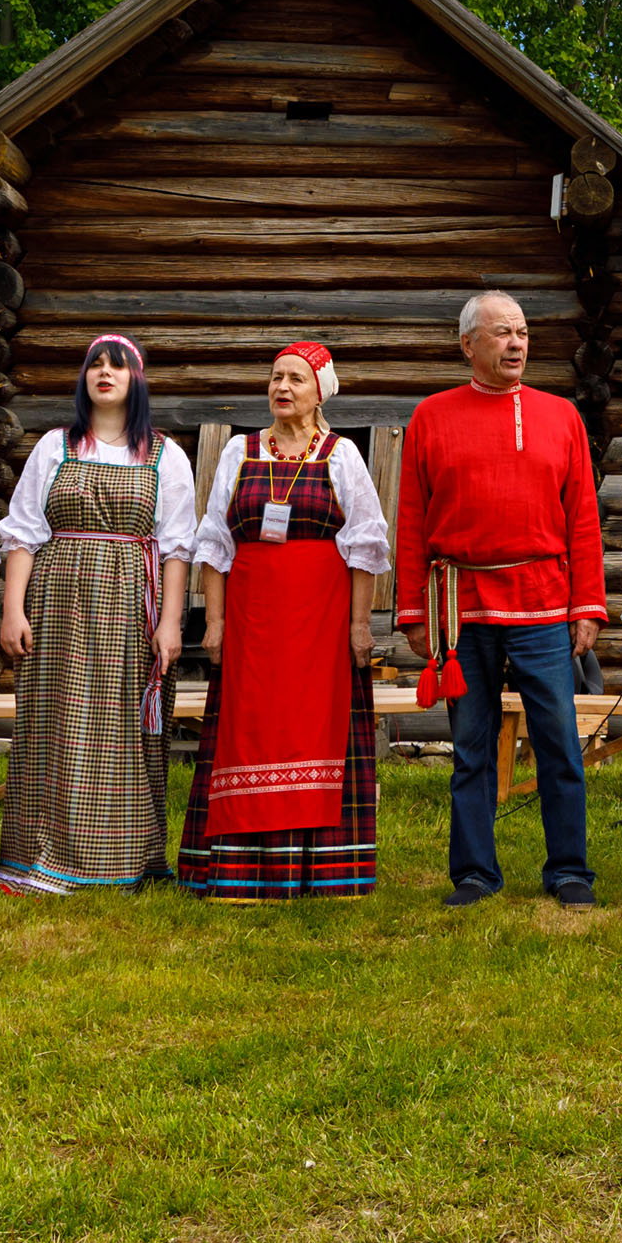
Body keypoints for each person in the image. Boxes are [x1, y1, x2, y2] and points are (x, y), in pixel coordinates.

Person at [396, 291, 609, 909]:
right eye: (501, 334)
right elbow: (412, 517)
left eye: (521, 332)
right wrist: (413, 612)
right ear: (468, 345)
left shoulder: (561, 415)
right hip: (459, 608)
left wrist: (587, 605)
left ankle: (570, 870)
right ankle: (474, 873)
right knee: (470, 746)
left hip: (543, 602)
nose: (516, 344)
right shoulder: (431, 416)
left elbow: (584, 519)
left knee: (559, 744)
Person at [175, 342, 393, 903]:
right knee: (250, 731)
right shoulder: (240, 453)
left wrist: (359, 627)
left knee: (312, 727)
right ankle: (238, 871)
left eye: (296, 379)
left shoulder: (342, 455)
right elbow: (216, 544)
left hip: (320, 622)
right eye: (276, 378)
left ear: (320, 391)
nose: (282, 388)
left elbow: (364, 545)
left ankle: (321, 871)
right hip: (253, 622)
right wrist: (215, 623)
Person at [0, 335, 199, 896]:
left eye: (117, 366)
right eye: (95, 366)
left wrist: (171, 622)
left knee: (119, 726)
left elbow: (177, 546)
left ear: (137, 380)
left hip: (133, 601)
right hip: (57, 601)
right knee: (56, 722)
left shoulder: (163, 454)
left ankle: (121, 856)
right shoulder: (55, 447)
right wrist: (13, 609)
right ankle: (44, 853)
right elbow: (23, 533)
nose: (104, 374)